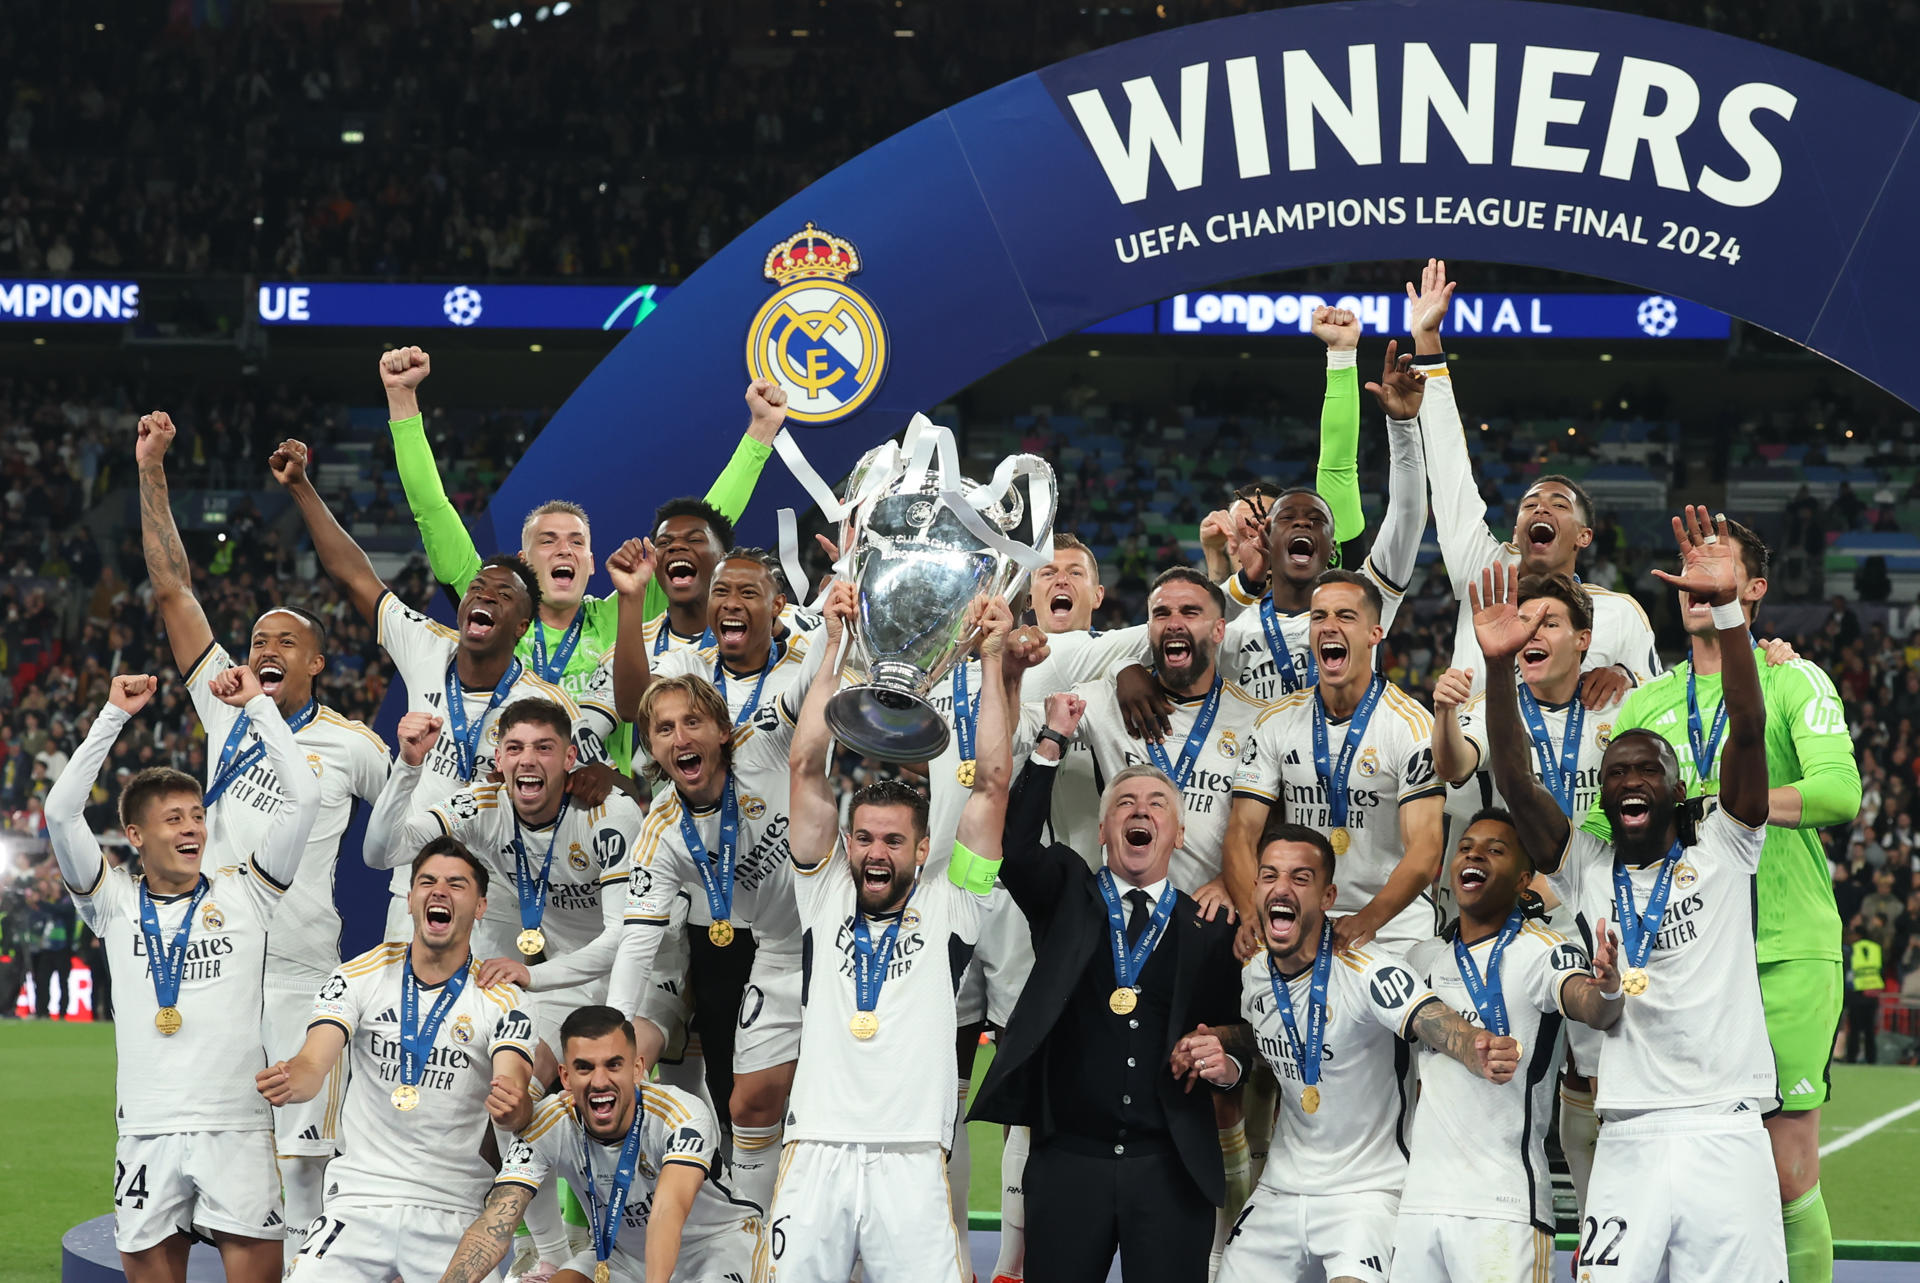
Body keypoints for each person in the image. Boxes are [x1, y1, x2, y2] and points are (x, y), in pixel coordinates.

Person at [1483, 507, 1790, 1282]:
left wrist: (1727, 616)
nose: (1628, 781)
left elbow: (1748, 729)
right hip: (1627, 1130)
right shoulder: (1586, 860)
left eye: (1645, 768)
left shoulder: (1725, 839)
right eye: (1616, 770)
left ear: (1678, 785)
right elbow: (1516, 779)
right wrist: (1496, 668)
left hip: (1728, 1126)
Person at [136, 409, 392, 1259]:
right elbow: (174, 587)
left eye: (286, 641)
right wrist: (152, 470)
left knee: (307, 1159)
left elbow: (407, 826)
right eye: (256, 639)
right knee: (206, 1143)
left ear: (319, 662)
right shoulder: (227, 703)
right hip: (213, 963)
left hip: (301, 969)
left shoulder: (355, 747)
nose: (264, 647)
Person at [1579, 516, 1859, 1283]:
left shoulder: (1790, 676)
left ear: (1753, 590)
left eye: (1716, 566)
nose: (1694, 578)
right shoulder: (1646, 703)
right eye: (1685, 565)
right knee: (1697, 1167)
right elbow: (1602, 827)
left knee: (1789, 1169)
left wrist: (1717, 806)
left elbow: (1841, 791)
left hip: (1785, 945)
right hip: (1684, 955)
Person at [271, 435, 615, 940]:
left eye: (503, 596)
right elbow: (354, 576)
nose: (485, 597)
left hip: (496, 900)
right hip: (412, 883)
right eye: (477, 589)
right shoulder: (428, 646)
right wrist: (302, 488)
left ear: (521, 628)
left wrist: (602, 777)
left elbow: (589, 779)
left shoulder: (542, 705)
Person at [384, 344, 791, 769]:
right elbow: (432, 511)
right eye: (549, 541)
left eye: (577, 542)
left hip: (601, 815)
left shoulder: (628, 615)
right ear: (523, 562)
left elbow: (702, 533)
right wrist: (402, 398)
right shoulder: (493, 607)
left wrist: (761, 431)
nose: (564, 549)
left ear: (592, 563)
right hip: (504, 809)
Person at [764, 586, 1013, 1282]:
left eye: (894, 840)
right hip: (814, 1144)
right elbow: (804, 766)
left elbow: (992, 787)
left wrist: (992, 657)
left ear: (922, 844)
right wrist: (836, 645)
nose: (877, 852)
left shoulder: (952, 906)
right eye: (866, 837)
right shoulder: (823, 890)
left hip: (911, 1155)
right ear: (847, 841)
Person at [365, 695, 649, 1281]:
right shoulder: (482, 803)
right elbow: (380, 852)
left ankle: (597, 1245)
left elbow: (626, 935)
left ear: (570, 757)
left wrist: (532, 974)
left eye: (544, 748)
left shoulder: (608, 810)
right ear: (497, 758)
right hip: (535, 981)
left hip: (603, 975)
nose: (528, 760)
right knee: (505, 1101)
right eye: (514, 747)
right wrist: (407, 768)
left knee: (584, 1109)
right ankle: (548, 1251)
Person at [49, 672, 320, 1283]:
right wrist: (112, 715)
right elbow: (60, 811)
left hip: (237, 1124)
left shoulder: (248, 891)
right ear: (137, 837)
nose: (192, 828)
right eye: (173, 819)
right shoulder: (111, 902)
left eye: (197, 815)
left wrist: (257, 706)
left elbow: (303, 797)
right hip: (146, 1129)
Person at [974, 695, 1244, 1283]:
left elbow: (1239, 1031)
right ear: (1103, 830)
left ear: (1177, 834)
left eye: (1154, 805)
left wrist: (1228, 1062)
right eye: (1124, 803)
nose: (1138, 811)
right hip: (1069, 1162)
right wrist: (1051, 740)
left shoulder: (1212, 928)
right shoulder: (1068, 893)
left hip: (1169, 1167)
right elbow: (1015, 851)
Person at [1180, 824, 1519, 1283]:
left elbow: (1429, 1019)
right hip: (1281, 1188)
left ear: (1327, 895)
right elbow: (1267, 1034)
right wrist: (1216, 1038)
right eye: (1269, 876)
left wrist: (1474, 1048)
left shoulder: (1367, 968)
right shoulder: (1257, 969)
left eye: (1301, 878)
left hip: (1367, 1192)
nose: (1282, 888)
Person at [257, 838, 537, 1282]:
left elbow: (515, 1088)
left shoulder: (503, 998)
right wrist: (294, 1077)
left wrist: (512, 1104)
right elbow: (314, 1062)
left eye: (456, 884)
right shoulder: (359, 974)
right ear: (409, 900)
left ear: (481, 906)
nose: (439, 891)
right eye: (427, 881)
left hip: (453, 1209)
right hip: (359, 1201)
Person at [1429, 571, 1621, 1210]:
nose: (1533, 633)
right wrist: (1445, 713)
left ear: (1583, 640)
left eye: (1550, 623)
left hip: (1600, 921)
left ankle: (1598, 1227)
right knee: (1504, 1072)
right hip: (1519, 921)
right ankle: (1503, 1207)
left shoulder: (1621, 708)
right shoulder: (1495, 706)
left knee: (1595, 1079)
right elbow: (1455, 765)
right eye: (1527, 621)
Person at [1393, 808, 1626, 1283]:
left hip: (1505, 1209)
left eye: (1494, 849)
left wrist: (1607, 991)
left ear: (1524, 880)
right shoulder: (1422, 959)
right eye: (1466, 847)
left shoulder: (1543, 950)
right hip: (1418, 1204)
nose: (1475, 854)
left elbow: (1588, 1004)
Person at [602, 667, 801, 1216]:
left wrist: (832, 629)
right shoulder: (661, 828)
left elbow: (806, 688)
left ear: (722, 731)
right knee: (746, 1101)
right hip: (775, 953)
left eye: (693, 721)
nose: (680, 737)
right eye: (664, 729)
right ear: (651, 748)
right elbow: (638, 941)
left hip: (840, 936)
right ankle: (755, 1241)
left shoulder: (763, 747)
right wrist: (616, 1033)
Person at [1412, 259, 1659, 700]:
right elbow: (1449, 473)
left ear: (1584, 537)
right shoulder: (1483, 571)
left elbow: (1661, 700)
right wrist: (1428, 345)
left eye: (1559, 505)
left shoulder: (1618, 614)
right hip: (1476, 766)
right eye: (1530, 504)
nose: (1541, 507)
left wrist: (1630, 677)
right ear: (1517, 530)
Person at [436, 1005, 759, 1283]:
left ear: (636, 1069)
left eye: (613, 1065)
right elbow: (496, 1222)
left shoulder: (680, 1114)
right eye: (584, 1067)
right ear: (565, 1077)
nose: (600, 1081)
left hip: (715, 1245)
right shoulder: (548, 1123)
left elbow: (667, 1211)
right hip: (619, 1255)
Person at [1212, 313, 1428, 705]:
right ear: (1265, 541)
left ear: (1333, 545)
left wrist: (1345, 359)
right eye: (1286, 519)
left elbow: (1343, 470)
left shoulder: (1361, 598)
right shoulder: (1232, 624)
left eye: (1315, 521)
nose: (1301, 523)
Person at [1225, 570, 1446, 952]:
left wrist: (1369, 919)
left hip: (1393, 926)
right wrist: (1252, 912)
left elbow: (1426, 851)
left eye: (1345, 616)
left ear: (1373, 635)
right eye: (1318, 616)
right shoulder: (1276, 721)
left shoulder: (1411, 725)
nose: (1329, 627)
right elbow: (1241, 833)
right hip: (1298, 917)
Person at [1845, 920, 1885, 1064]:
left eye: (1852, 934)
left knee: (1854, 1029)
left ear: (1858, 935)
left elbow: (1849, 973)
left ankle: (1851, 1058)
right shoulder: (1876, 948)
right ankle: (1871, 1059)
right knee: (1869, 1030)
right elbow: (1881, 970)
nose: (1850, 937)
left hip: (1857, 994)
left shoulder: (1851, 950)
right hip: (1873, 994)